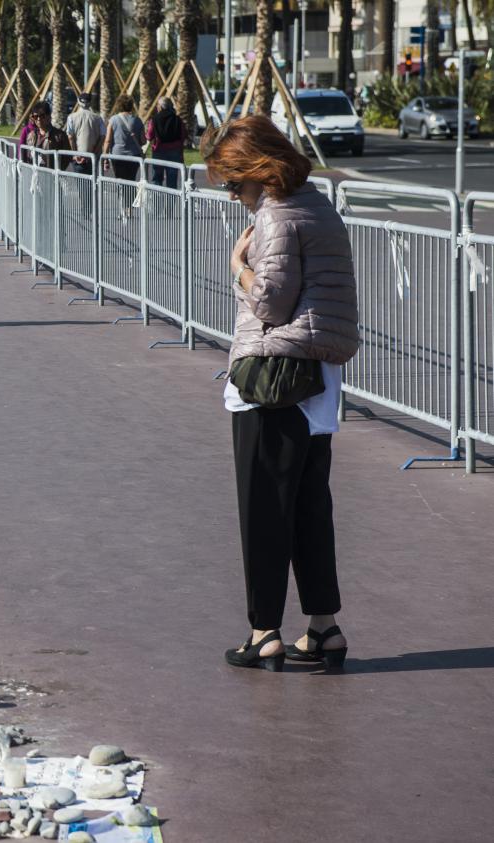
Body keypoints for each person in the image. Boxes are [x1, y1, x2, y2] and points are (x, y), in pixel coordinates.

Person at [201, 116, 359, 673]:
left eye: (233, 183)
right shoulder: (319, 207)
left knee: (265, 506)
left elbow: (269, 303)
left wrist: (237, 267)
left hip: (273, 376)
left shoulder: (275, 217)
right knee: (310, 507)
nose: (234, 196)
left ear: (258, 173)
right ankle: (323, 627)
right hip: (316, 379)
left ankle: (264, 630)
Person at [103, 94, 145, 181]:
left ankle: (122, 194)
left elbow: (107, 141)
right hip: (134, 155)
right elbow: (143, 141)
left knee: (120, 181)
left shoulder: (113, 120)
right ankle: (131, 195)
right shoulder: (137, 120)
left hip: (118, 155)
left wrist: (105, 157)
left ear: (119, 105)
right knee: (131, 180)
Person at [146, 96, 185, 188]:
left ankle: (158, 201)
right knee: (172, 180)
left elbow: (149, 136)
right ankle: (171, 202)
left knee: (157, 179)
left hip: (159, 151)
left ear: (160, 106)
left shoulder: (154, 119)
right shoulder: (178, 119)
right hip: (175, 152)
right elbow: (183, 135)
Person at [16, 100, 69, 165]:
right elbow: (25, 152)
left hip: (52, 174)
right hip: (34, 173)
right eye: (35, 116)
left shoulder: (60, 136)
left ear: (49, 116)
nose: (38, 119)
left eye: (42, 116)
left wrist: (56, 170)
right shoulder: (31, 135)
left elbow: (67, 158)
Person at [64, 93, 106, 175]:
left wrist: (75, 154)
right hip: (93, 157)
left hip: (78, 157)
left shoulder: (71, 117)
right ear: (90, 102)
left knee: (80, 184)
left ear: (78, 101)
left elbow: (70, 137)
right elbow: (102, 137)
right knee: (93, 183)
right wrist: (93, 153)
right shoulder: (98, 118)